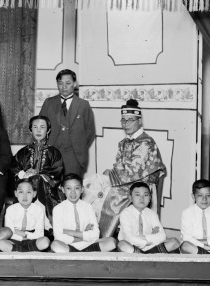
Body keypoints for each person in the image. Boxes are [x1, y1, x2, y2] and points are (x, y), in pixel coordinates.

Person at [98, 99, 167, 238]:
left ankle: (104, 237)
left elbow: (134, 172)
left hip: (141, 182)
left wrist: (110, 175)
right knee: (96, 184)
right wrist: (111, 173)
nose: (126, 124)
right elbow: (118, 164)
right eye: (123, 120)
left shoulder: (146, 142)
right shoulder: (124, 142)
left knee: (110, 192)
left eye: (130, 120)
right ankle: (99, 234)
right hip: (125, 179)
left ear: (139, 121)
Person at [39, 69, 95, 177]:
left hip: (74, 155)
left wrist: (78, 145)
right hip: (52, 153)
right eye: (60, 83)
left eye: (68, 83)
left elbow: (90, 131)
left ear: (74, 84)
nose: (64, 86)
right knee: (51, 186)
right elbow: (40, 126)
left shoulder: (83, 105)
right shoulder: (49, 103)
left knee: (72, 187)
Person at [10, 115, 64, 224]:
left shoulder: (54, 152)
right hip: (25, 188)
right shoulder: (23, 152)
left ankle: (47, 225)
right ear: (30, 130)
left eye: (42, 127)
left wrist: (39, 174)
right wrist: (25, 174)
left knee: (38, 179)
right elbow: (14, 168)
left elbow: (58, 171)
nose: (38, 130)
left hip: (48, 189)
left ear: (48, 130)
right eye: (35, 127)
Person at [50, 174, 116, 253]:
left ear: (82, 189)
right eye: (68, 188)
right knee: (55, 245)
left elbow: (95, 235)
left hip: (87, 244)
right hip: (67, 245)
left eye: (77, 188)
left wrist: (70, 232)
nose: (73, 192)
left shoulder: (88, 207)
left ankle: (75, 254)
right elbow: (59, 236)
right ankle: (84, 254)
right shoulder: (58, 209)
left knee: (112, 242)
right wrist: (84, 234)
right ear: (63, 190)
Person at [117, 182, 180, 254]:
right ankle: (148, 257)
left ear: (150, 198)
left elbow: (162, 236)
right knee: (122, 244)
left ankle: (143, 256)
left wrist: (144, 238)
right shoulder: (125, 213)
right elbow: (129, 238)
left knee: (174, 242)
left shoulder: (152, 214)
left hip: (150, 247)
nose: (142, 198)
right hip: (131, 246)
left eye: (146, 195)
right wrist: (148, 239)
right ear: (131, 198)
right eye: (137, 195)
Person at [0, 178, 51, 252]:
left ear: (34, 194)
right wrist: (21, 237)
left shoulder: (38, 210)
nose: (25, 196)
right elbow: (10, 232)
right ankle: (29, 252)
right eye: (21, 192)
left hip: (32, 239)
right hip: (15, 240)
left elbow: (40, 234)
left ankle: (19, 252)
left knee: (45, 241)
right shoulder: (11, 210)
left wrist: (24, 234)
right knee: (1, 243)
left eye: (28, 192)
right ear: (16, 193)